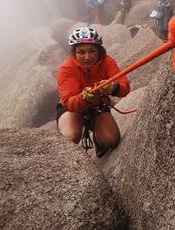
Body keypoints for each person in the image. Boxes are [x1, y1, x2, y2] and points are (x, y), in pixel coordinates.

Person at [56, 27, 130, 158]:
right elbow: (68, 103)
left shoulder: (107, 62)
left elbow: (125, 86)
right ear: (74, 52)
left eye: (92, 51)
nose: (87, 57)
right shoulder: (67, 69)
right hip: (73, 109)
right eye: (81, 52)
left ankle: (99, 140)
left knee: (111, 140)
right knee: (71, 136)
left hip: (98, 105)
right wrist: (84, 97)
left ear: (99, 51)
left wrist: (114, 87)